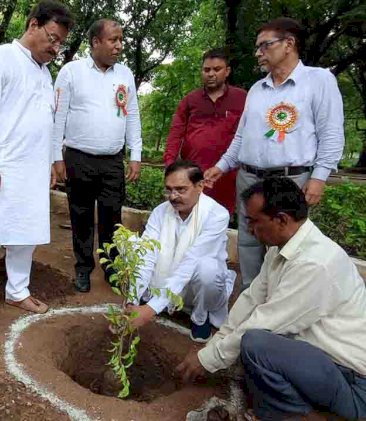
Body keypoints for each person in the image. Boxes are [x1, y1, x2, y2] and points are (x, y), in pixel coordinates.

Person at [177, 177, 366, 421]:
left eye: (254, 222)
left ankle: (298, 416)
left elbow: (265, 323)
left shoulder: (315, 264)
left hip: (352, 382)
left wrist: (207, 359)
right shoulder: (281, 248)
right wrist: (215, 346)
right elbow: (251, 299)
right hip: (322, 365)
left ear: (282, 220)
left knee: (255, 344)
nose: (249, 229)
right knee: (244, 349)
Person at [204, 18, 345, 290]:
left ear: (289, 44)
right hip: (249, 178)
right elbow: (242, 137)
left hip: (292, 181)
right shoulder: (257, 89)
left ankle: (281, 308)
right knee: (248, 242)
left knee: (287, 248)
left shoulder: (319, 80)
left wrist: (319, 178)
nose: (258, 53)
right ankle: (250, 302)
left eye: (264, 46)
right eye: (257, 47)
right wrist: (221, 166)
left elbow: (331, 133)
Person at [0, 0, 74, 329]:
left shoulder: (45, 73)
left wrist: (53, 162)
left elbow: (48, 123)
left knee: (25, 234)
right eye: (52, 38)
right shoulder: (0, 59)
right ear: (32, 26)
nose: (55, 48)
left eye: (61, 43)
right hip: (1, 165)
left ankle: (17, 290)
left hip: (32, 169)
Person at [51, 19, 142, 293]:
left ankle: (111, 266)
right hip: (78, 158)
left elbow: (133, 115)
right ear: (95, 42)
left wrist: (135, 153)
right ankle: (83, 267)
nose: (119, 45)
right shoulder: (71, 72)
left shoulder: (124, 74)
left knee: (111, 217)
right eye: (113, 40)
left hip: (112, 161)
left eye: (121, 40)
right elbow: (58, 117)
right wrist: (56, 156)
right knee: (79, 215)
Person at [126, 160, 235, 342]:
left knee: (207, 269)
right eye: (169, 189)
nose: (173, 196)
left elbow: (191, 262)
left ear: (200, 186)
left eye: (181, 189)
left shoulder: (217, 215)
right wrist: (133, 299)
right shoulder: (161, 212)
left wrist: (150, 310)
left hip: (197, 286)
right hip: (170, 280)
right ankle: (154, 297)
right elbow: (146, 255)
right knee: (133, 245)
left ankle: (200, 316)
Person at [164, 48, 246, 214]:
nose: (211, 74)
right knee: (188, 217)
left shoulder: (242, 98)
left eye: (217, 69)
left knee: (220, 218)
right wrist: (170, 166)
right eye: (206, 69)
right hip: (193, 175)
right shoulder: (190, 100)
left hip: (227, 176)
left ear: (227, 71)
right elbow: (175, 134)